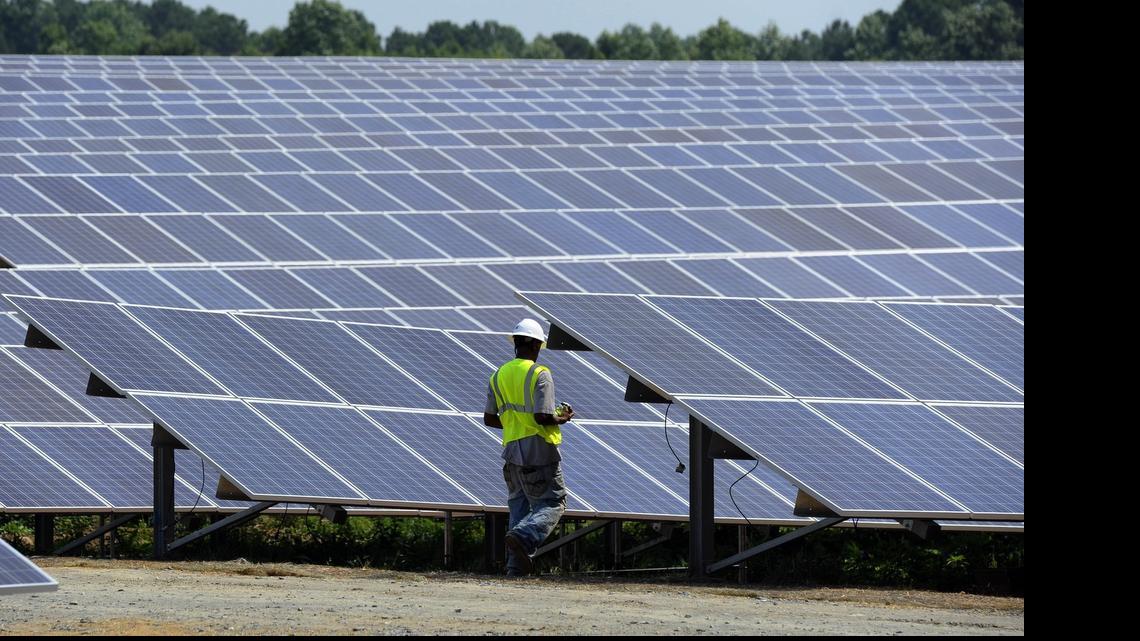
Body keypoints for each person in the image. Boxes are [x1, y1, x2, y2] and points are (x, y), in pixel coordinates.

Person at [483, 318, 575, 577]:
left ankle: (515, 568)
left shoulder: (497, 375)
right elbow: (542, 417)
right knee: (554, 502)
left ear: (515, 344)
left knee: (519, 507)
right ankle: (525, 537)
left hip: (512, 453)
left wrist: (516, 423)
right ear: (536, 345)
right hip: (539, 451)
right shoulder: (540, 374)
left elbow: (490, 418)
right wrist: (562, 418)